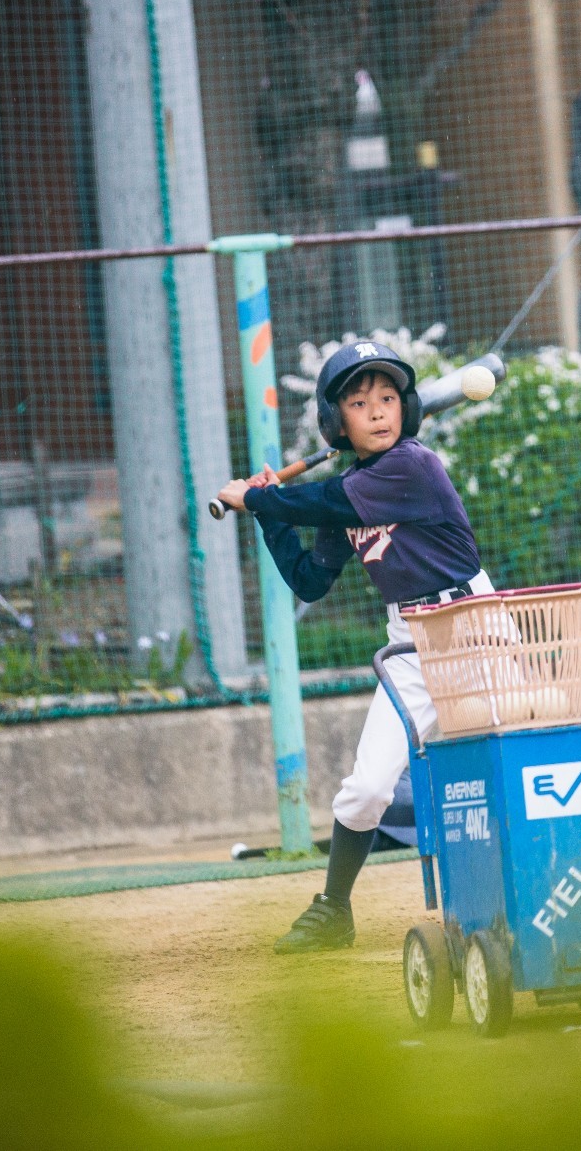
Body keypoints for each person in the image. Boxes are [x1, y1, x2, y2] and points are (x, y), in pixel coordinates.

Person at [215, 340, 493, 953]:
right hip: (410, 648)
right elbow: (311, 579)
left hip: (476, 631)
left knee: (514, 760)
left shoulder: (413, 466)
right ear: (335, 422)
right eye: (360, 402)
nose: (377, 411)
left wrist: (261, 497)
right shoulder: (353, 490)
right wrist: (269, 514)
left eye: (389, 398)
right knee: (367, 789)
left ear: (407, 409)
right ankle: (333, 909)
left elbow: (318, 500)